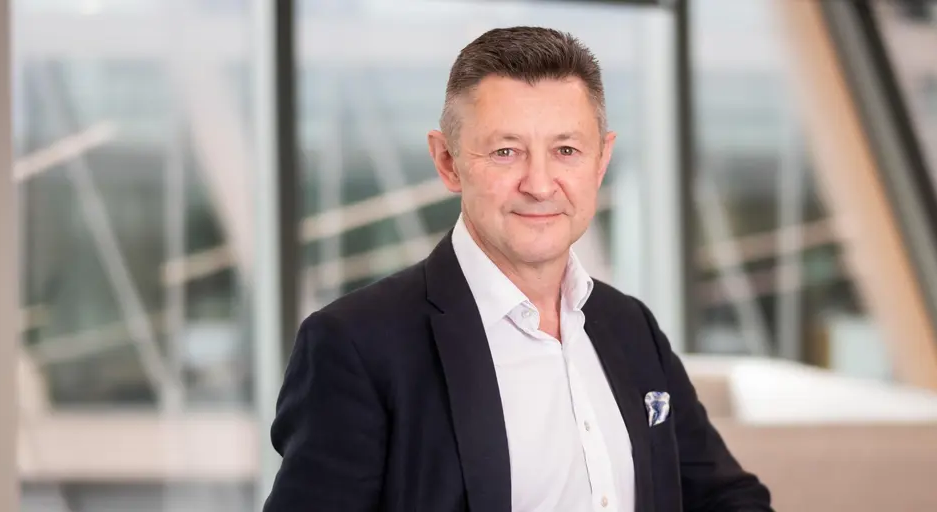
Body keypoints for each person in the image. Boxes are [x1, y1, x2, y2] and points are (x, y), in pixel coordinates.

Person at [263, 26, 772, 512]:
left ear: (601, 160)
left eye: (566, 150)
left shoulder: (630, 326)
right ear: (447, 161)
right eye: (507, 152)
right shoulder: (356, 344)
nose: (540, 183)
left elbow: (725, 497)